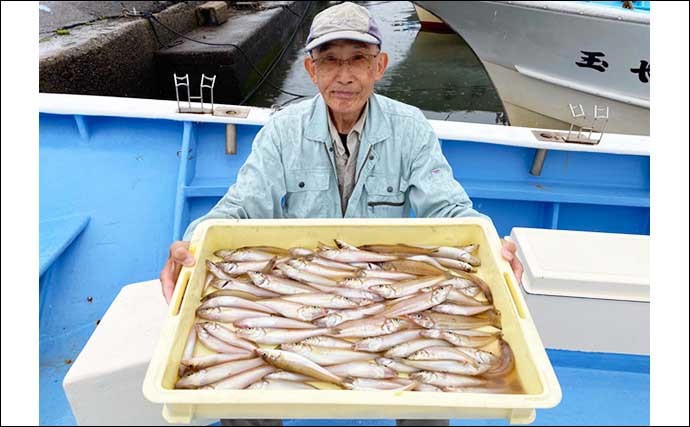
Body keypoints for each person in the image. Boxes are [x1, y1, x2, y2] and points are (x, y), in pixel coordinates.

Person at [159, 3, 524, 426]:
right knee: (240, 403)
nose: (345, 75)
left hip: (389, 295)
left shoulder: (411, 128)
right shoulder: (282, 130)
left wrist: (491, 240)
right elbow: (240, 207)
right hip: (295, 289)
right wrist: (194, 240)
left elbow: (448, 208)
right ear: (311, 70)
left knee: (431, 397)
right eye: (330, 60)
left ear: (380, 66)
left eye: (358, 60)